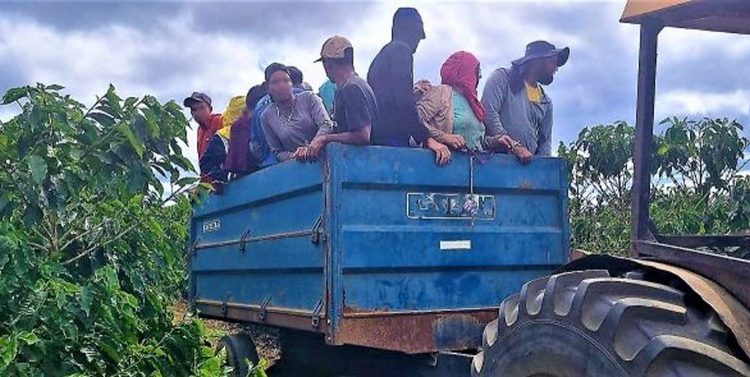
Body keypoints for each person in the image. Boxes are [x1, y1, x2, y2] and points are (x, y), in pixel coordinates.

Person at [367, 7, 451, 166]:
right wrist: (427, 138)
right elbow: (403, 101)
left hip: (378, 137)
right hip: (392, 139)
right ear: (410, 30)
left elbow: (393, 96)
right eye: (419, 35)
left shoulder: (382, 56)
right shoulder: (401, 50)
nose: (420, 40)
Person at [481, 40, 569, 164]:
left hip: (526, 166)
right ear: (537, 61)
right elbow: (488, 111)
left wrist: (540, 168)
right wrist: (512, 145)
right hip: (495, 160)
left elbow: (545, 141)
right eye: (552, 62)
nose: (556, 68)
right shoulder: (503, 78)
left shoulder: (546, 102)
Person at [300, 36, 377, 159]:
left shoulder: (350, 89)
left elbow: (363, 135)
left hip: (360, 163)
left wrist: (325, 138)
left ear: (328, 64)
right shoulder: (359, 83)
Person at [415, 51, 489, 152]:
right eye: (477, 71)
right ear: (465, 70)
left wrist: (496, 140)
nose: (480, 76)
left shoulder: (473, 103)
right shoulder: (441, 93)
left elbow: (477, 140)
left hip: (474, 165)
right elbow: (415, 120)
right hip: (444, 164)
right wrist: (443, 137)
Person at [261, 64, 333, 162]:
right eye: (275, 82)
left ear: (292, 83)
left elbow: (326, 124)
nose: (282, 85)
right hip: (299, 167)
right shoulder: (267, 116)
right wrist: (296, 155)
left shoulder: (309, 98)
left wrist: (312, 146)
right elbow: (277, 151)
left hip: (329, 158)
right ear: (267, 87)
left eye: (286, 80)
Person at [183, 92, 222, 159]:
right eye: (193, 109)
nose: (197, 113)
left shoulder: (220, 121)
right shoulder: (199, 130)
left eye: (201, 107)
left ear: (210, 109)